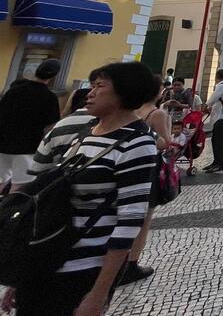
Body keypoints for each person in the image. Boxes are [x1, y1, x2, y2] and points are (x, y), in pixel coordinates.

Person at [15, 62, 158, 316]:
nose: (89, 93)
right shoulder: (85, 133)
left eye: (99, 87)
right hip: (47, 259)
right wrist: (23, 272)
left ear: (124, 93)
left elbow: (129, 220)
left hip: (84, 268)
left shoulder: (137, 143)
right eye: (92, 86)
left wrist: (100, 293)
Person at [119, 78, 173, 286]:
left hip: (127, 168)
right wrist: (167, 120)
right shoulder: (156, 113)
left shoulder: (129, 111)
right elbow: (165, 142)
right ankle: (131, 263)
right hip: (148, 168)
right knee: (144, 219)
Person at [0, 59, 61, 190]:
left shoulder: (13, 91)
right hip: (29, 149)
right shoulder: (50, 98)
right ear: (53, 76)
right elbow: (49, 127)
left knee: (1, 180)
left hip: (3, 144)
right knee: (19, 187)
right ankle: (7, 210)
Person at [204, 69, 223, 173]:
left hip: (221, 117)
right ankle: (215, 162)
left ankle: (219, 164)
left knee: (218, 141)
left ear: (217, 76)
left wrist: (206, 106)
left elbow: (212, 99)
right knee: (216, 140)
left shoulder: (221, 86)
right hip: (222, 117)